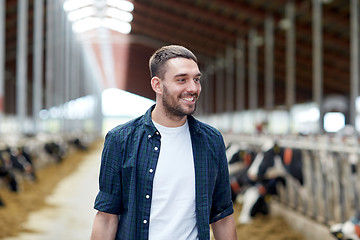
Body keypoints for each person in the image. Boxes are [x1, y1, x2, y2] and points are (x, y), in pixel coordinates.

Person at [90, 45, 237, 240]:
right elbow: (107, 217)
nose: (193, 88)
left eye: (196, 79)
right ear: (157, 85)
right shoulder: (121, 140)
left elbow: (222, 216)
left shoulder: (212, 141)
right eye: (182, 80)